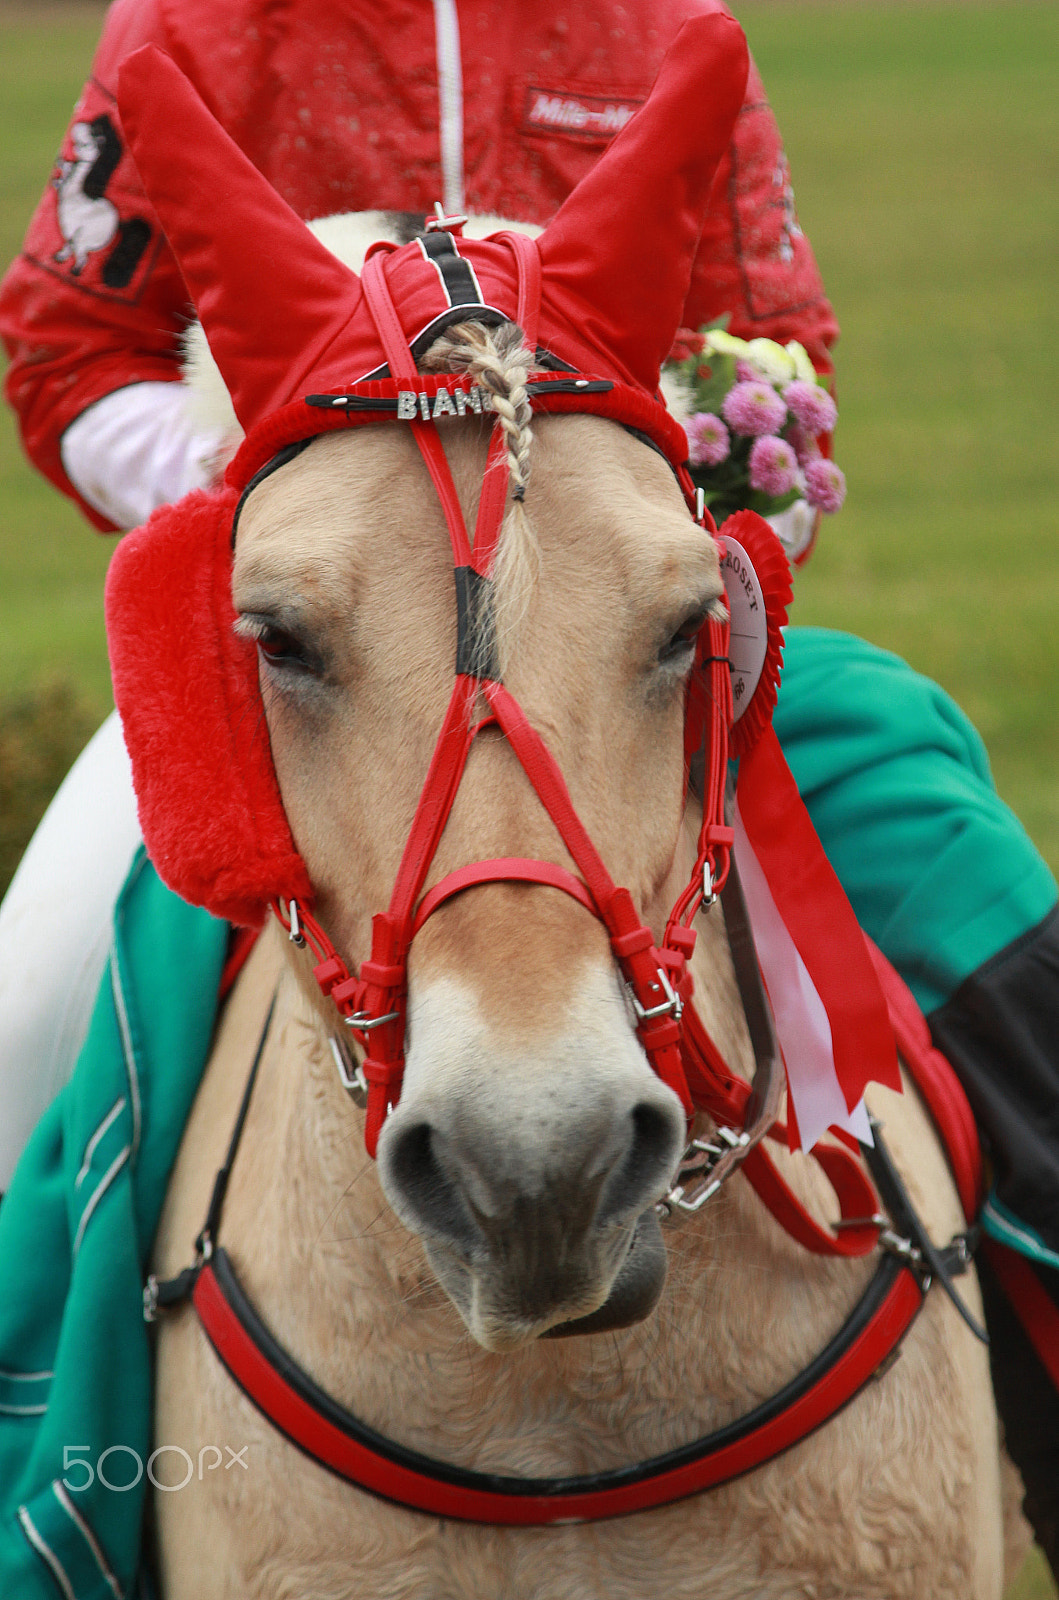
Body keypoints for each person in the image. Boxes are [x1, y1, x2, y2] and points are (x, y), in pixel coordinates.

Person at [0, 0, 1056, 1570]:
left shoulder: (667, 19)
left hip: (620, 638)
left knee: (983, 891)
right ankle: (54, 1513)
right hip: (318, 659)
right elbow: (67, 347)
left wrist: (627, 511)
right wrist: (301, 510)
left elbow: (772, 345)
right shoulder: (201, 23)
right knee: (33, 1000)